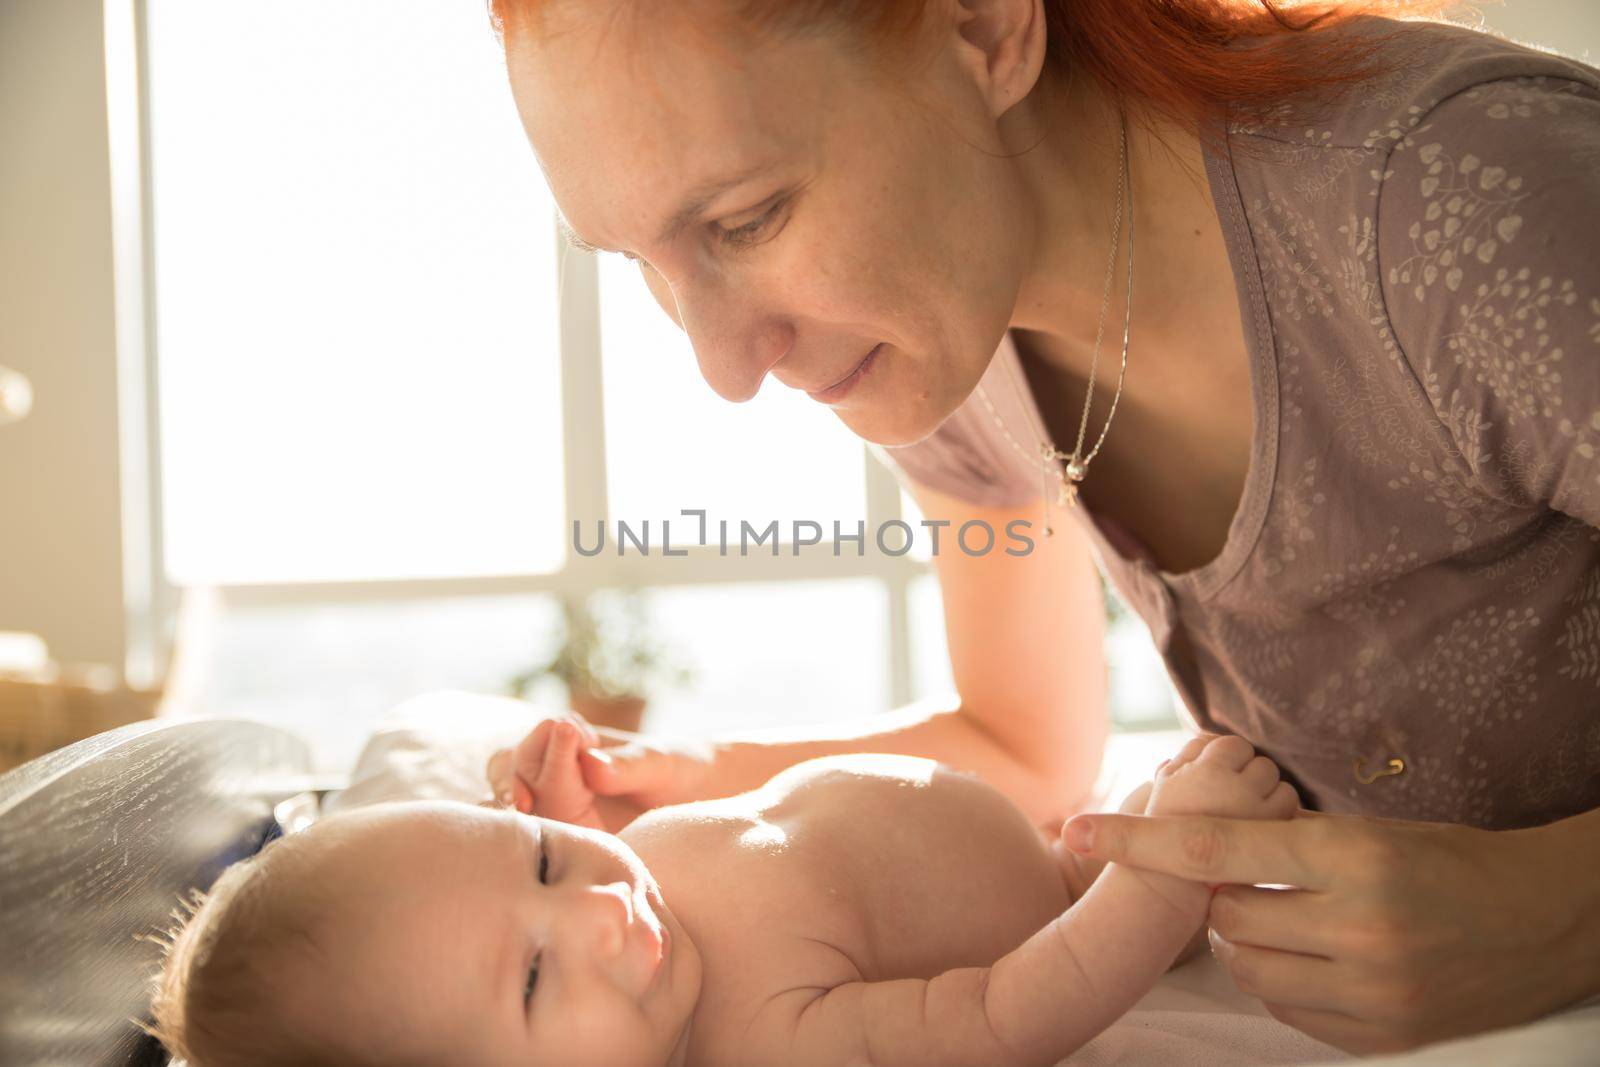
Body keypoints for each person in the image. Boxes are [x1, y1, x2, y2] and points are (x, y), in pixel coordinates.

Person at [483, 0, 1600, 1054]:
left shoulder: (1458, 211)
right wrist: (689, 777)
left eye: (747, 217)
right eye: (644, 264)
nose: (722, 365)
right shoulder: (949, 346)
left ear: (982, 25)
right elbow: (1025, 744)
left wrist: (1559, 911)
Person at [148, 726, 1300, 1067]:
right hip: (1065, 904)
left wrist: (585, 814)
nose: (598, 904)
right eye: (536, 977)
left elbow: (724, 843)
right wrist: (1158, 882)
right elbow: (1009, 1012)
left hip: (1048, 835)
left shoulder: (634, 896)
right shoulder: (763, 1034)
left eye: (537, 860)